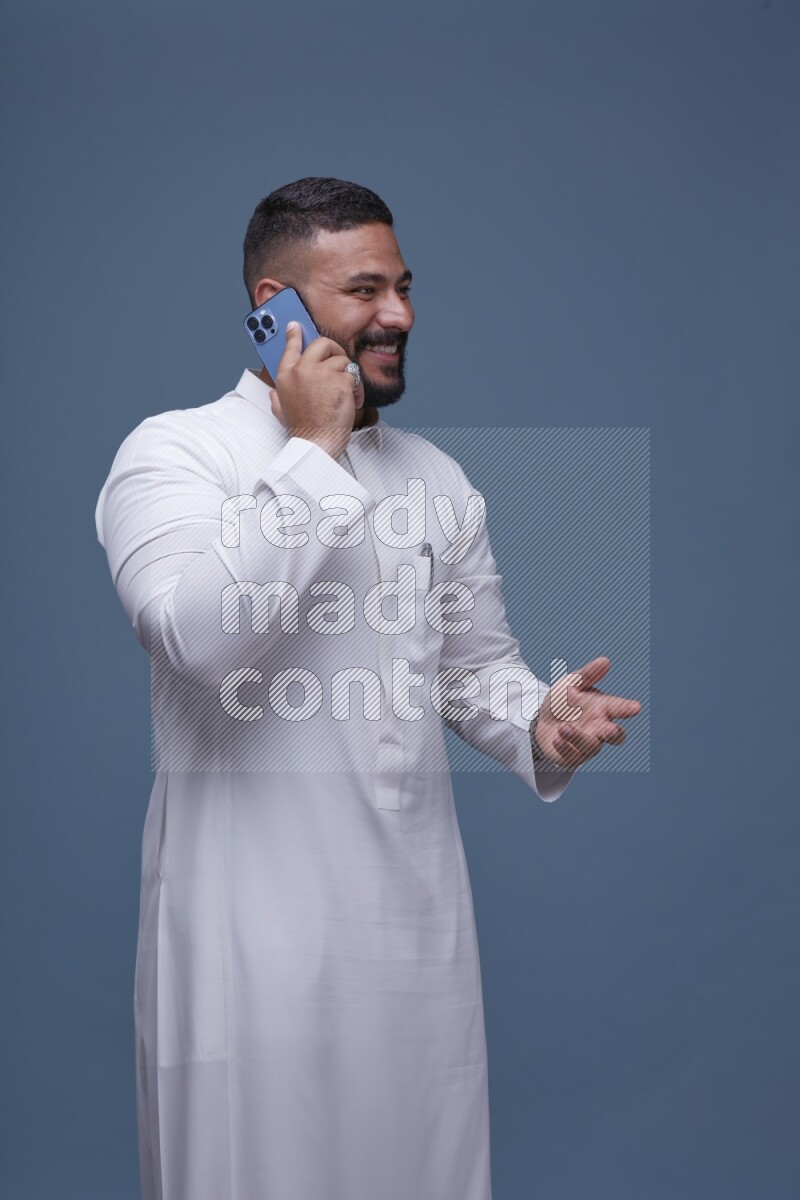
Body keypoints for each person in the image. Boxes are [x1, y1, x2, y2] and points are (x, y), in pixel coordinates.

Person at [95, 177, 640, 1200]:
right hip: (245, 938)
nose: (399, 315)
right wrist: (311, 452)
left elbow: (470, 665)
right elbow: (196, 639)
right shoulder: (175, 455)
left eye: (402, 286)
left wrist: (538, 718)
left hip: (413, 937)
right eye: (364, 289)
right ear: (275, 304)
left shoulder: (435, 479)